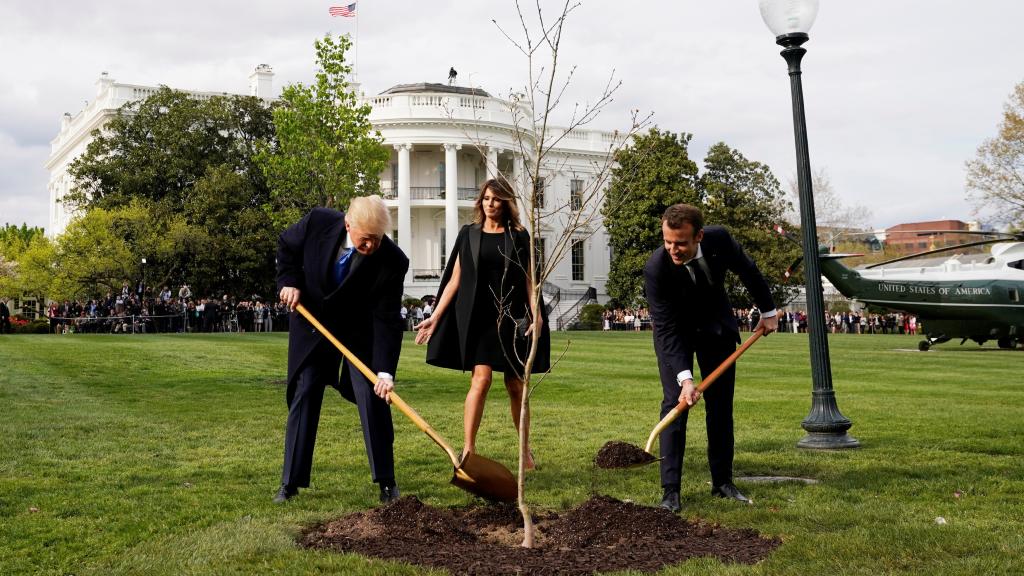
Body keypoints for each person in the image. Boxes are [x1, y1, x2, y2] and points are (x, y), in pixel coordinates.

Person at [274, 195, 409, 504]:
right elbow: (287, 246)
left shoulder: (393, 261)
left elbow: (387, 319)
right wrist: (290, 282)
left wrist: (385, 372)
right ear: (349, 225)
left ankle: (387, 482)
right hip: (313, 325)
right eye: (365, 240)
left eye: (377, 239)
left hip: (358, 333)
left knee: (372, 395)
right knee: (305, 390)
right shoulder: (318, 221)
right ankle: (290, 483)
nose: (372, 246)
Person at [644, 203, 778, 513]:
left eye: (680, 243)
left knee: (720, 406)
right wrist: (685, 378)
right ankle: (670, 492)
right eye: (667, 241)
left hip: (716, 327)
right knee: (675, 404)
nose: (673, 249)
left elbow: (749, 271)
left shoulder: (719, 240)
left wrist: (768, 312)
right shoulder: (656, 269)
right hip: (676, 333)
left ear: (699, 236)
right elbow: (664, 329)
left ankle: (722, 482)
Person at [414, 178, 549, 471]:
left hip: (511, 317)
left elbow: (529, 278)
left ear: (505, 203)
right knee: (481, 379)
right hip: (479, 319)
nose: (490, 204)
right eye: (486, 198)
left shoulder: (519, 236)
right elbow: (455, 279)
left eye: (496, 199)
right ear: (481, 201)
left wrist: (536, 313)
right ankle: (469, 450)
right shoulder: (469, 234)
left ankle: (525, 452)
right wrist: (435, 316)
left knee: (516, 386)